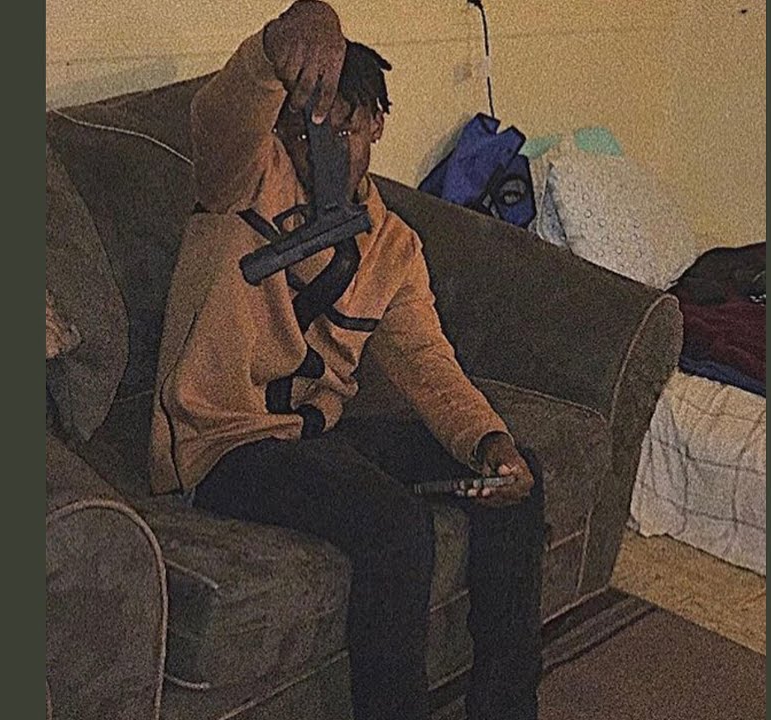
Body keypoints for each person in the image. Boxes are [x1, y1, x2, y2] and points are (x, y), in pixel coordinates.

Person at [149, 3, 545, 719]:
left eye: (349, 128)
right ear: (285, 128)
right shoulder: (243, 181)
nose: (329, 147)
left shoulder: (392, 246)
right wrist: (281, 42)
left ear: (377, 126)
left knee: (518, 480)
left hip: (317, 437)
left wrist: (489, 442)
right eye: (312, 128)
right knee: (395, 525)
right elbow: (220, 117)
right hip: (225, 445)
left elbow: (426, 362)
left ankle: (505, 707)